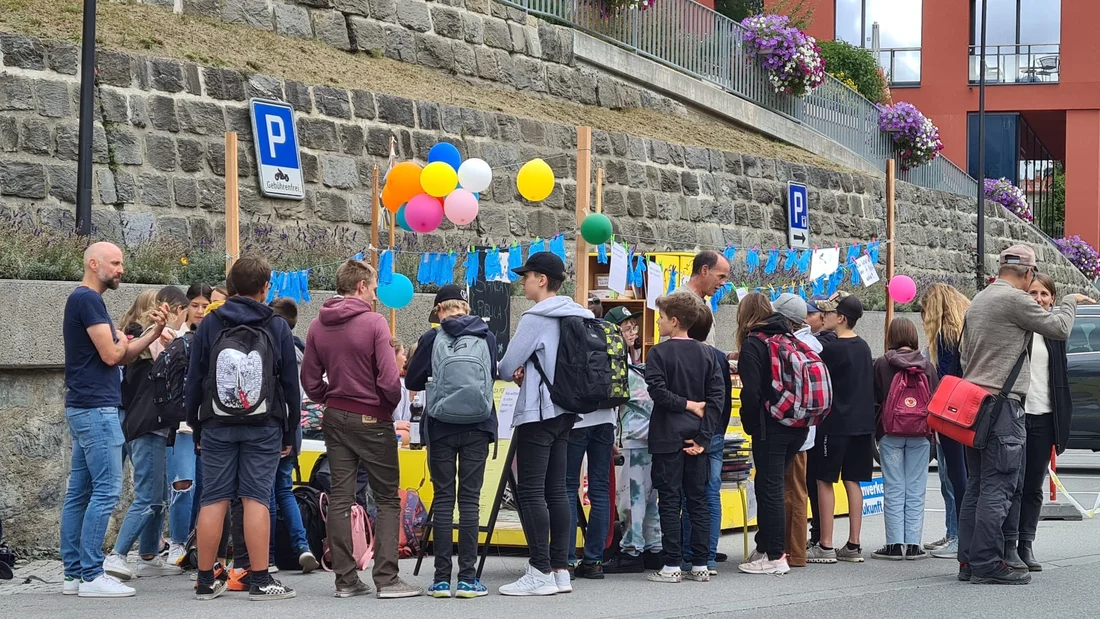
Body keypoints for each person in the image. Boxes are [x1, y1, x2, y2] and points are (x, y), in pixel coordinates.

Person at [957, 245, 1088, 585]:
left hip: (976, 405)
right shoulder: (1015, 300)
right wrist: (1070, 300)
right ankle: (988, 561)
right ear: (1028, 273)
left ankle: (968, 561)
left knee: (977, 485)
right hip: (1003, 407)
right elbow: (1059, 327)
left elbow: (963, 353)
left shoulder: (980, 299)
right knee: (999, 485)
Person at [301, 259, 421, 599]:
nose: (374, 295)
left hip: (335, 415)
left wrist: (332, 396)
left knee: (340, 497)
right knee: (386, 498)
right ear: (360, 287)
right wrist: (385, 404)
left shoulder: (316, 326)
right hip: (371, 417)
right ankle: (387, 578)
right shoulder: (373, 323)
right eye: (372, 288)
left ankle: (346, 580)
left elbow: (309, 380)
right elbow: (388, 378)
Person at [185, 255, 301, 601]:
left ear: (232, 286)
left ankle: (206, 579)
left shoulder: (210, 323)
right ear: (266, 288)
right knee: (256, 499)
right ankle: (261, 579)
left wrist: (197, 424)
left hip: (216, 423)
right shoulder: (276, 325)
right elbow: (290, 385)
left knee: (214, 499)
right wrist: (289, 430)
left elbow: (195, 379)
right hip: (264, 423)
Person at [60, 242, 167, 598]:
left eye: (122, 262)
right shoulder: (87, 300)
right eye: (115, 263)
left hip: (86, 406)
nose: (122, 269)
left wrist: (150, 334)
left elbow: (122, 356)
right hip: (97, 409)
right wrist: (121, 342)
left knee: (81, 492)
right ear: (94, 263)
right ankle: (91, 574)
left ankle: (74, 574)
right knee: (105, 491)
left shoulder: (89, 301)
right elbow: (111, 355)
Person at [496, 252, 590, 596]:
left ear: (542, 280)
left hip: (538, 412)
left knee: (531, 490)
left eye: (527, 276)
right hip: (567, 411)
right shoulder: (578, 314)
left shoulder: (536, 317)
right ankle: (560, 571)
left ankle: (538, 571)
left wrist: (520, 370)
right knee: (558, 491)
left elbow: (506, 367)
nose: (523, 282)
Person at [405, 285, 499, 599]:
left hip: (441, 426)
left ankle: (442, 580)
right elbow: (492, 375)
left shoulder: (432, 338)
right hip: (478, 425)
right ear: (466, 307)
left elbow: (412, 381)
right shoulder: (486, 335)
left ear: (439, 310)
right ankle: (469, 580)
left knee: (444, 499)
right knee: (469, 502)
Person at [105, 286, 190, 581]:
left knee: (159, 496)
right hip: (148, 426)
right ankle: (117, 555)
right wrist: (164, 333)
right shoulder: (150, 344)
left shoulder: (140, 341)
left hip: (151, 426)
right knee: (147, 496)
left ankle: (149, 555)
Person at [644, 292, 723, 584]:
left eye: (662, 317)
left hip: (667, 435)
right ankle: (700, 563)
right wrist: (703, 438)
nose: (659, 321)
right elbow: (717, 400)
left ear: (674, 321)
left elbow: (657, 392)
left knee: (669, 499)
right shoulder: (708, 354)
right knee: (698, 499)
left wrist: (684, 404)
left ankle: (671, 564)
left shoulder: (659, 353)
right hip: (697, 438)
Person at [1004, 273, 1074, 573]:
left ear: (1052, 300)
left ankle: (1026, 544)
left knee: (1033, 486)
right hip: (1017, 414)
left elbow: (1061, 379)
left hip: (1044, 417)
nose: (1038, 299)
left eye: (1044, 294)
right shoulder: (1018, 329)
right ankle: (1008, 545)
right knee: (1013, 484)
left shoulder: (1054, 335)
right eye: (1033, 293)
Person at [735, 294, 811, 575]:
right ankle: (767, 548)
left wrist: (750, 423)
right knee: (773, 484)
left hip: (771, 425)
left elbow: (752, 392)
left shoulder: (754, 343)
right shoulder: (787, 338)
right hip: (798, 425)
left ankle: (776, 555)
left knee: (770, 488)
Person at [807, 292, 874, 564]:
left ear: (841, 318)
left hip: (834, 423)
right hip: (862, 423)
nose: (826, 317)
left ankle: (825, 543)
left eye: (830, 313)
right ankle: (854, 544)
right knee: (853, 480)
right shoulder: (864, 347)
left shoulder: (830, 350)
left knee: (824, 480)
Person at [870, 318, 939, 561]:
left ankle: (893, 544)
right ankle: (913, 544)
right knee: (916, 487)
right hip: (921, 434)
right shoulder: (927, 366)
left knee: (894, 486)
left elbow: (875, 398)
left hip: (890, 434)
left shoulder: (881, 364)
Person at [268, 297, 320, 574]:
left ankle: (270, 555)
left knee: (267, 493)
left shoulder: (270, 345)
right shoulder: (300, 349)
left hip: (274, 426)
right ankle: (302, 546)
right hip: (295, 426)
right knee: (285, 490)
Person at [919, 283, 970, 559]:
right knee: (962, 474)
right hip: (970, 411)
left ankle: (960, 536)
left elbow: (944, 377)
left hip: (951, 411)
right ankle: (959, 533)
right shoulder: (964, 331)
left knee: (955, 476)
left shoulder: (944, 338)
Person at [772, 293, 821, 569]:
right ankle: (795, 550)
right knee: (796, 490)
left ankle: (793, 551)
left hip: (791, 425)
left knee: (792, 491)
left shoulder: (794, 344)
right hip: (806, 428)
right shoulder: (812, 344)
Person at [603, 351, 662, 574]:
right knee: (648, 498)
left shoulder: (623, 373)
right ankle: (653, 547)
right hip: (652, 438)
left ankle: (631, 550)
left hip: (632, 438)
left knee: (630, 499)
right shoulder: (643, 370)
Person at [681, 308, 729, 575]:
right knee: (711, 493)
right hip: (716, 431)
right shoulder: (719, 357)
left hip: (691, 431)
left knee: (690, 495)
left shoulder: (683, 355)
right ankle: (708, 555)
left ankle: (690, 554)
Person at [804, 294, 833, 548]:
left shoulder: (821, 346)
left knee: (817, 480)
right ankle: (819, 532)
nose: (805, 318)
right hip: (825, 420)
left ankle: (820, 534)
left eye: (809, 313)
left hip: (821, 421)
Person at [673, 250, 730, 345]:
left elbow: (705, 349)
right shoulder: (678, 301)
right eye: (720, 277)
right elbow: (672, 349)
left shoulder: (706, 304)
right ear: (704, 270)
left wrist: (728, 356)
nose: (723, 283)